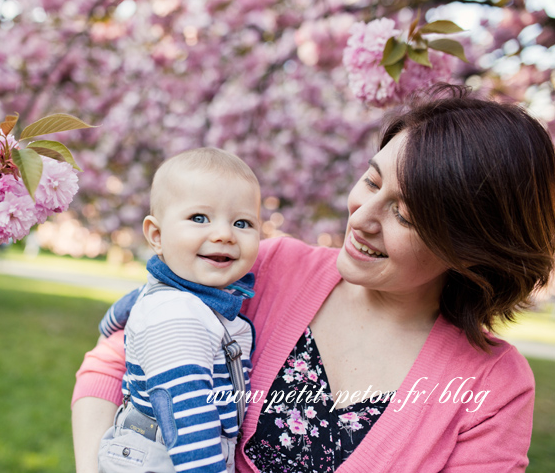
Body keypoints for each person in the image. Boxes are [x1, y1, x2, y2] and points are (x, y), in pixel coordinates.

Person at [72, 85, 555, 472]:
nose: (362, 217)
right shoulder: (263, 268)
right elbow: (115, 362)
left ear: (471, 248)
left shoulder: (493, 387)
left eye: (404, 215)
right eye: (370, 181)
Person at [97, 147, 261, 473]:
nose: (224, 234)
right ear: (156, 236)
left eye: (242, 222)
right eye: (199, 218)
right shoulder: (179, 316)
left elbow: (119, 314)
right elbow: (186, 415)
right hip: (173, 460)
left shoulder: (167, 293)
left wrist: (110, 324)